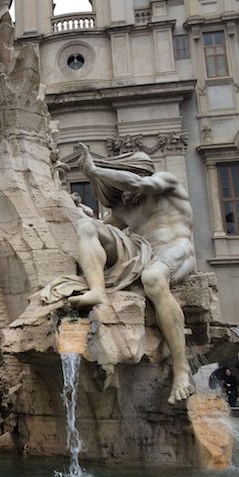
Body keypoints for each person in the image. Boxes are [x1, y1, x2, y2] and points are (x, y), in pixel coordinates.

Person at [42, 144, 196, 404]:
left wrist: (94, 170)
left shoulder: (165, 182)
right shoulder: (123, 210)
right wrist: (83, 214)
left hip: (175, 249)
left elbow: (139, 183)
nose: (123, 197)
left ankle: (182, 370)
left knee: (153, 278)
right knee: (87, 227)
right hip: (142, 252)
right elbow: (101, 230)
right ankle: (97, 289)